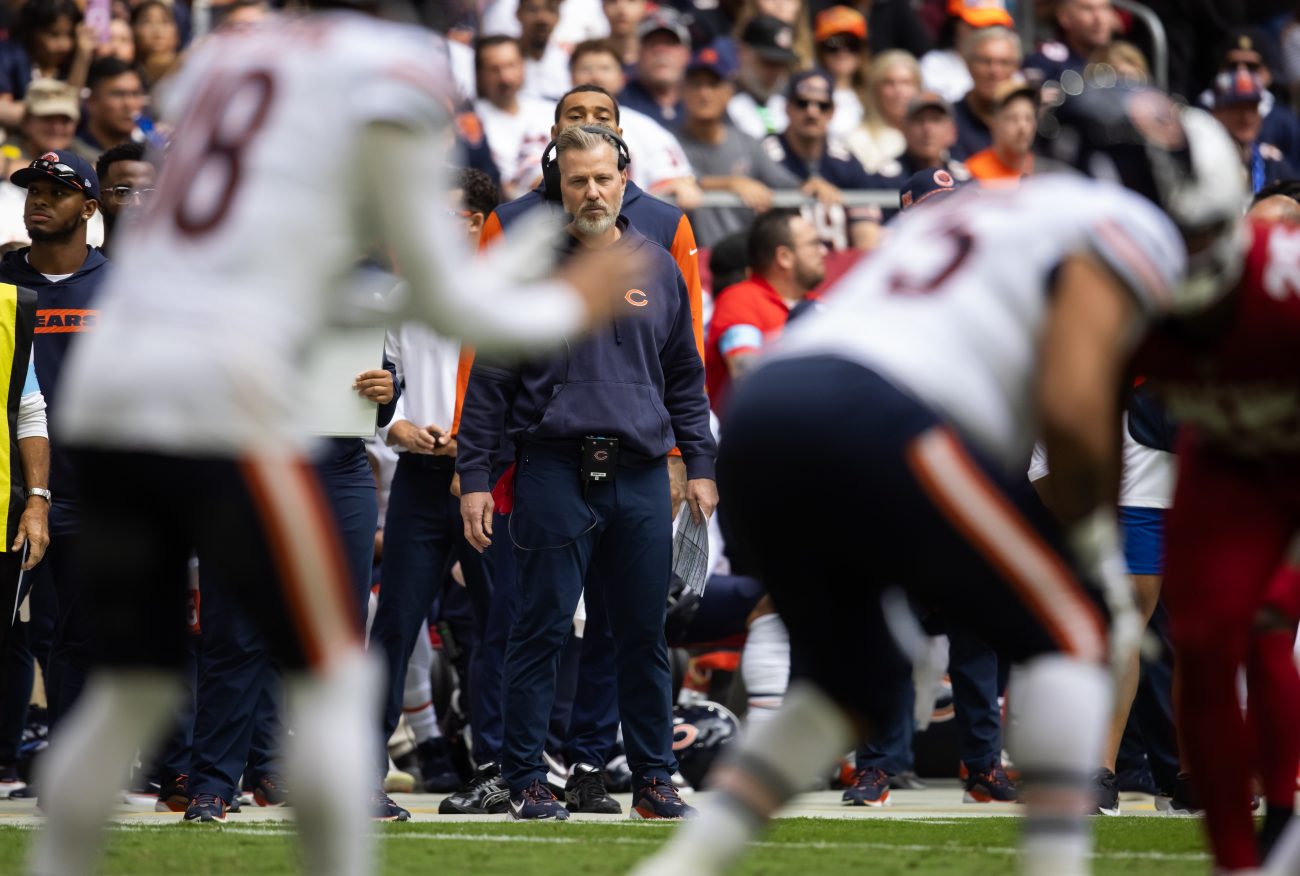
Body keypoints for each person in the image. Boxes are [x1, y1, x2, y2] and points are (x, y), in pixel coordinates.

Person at [24, 10, 646, 876]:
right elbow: (445, 291)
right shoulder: (389, 64)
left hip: (114, 379)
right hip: (219, 397)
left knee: (133, 687)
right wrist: (559, 299)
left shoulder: (231, 55)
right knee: (331, 674)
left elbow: (304, 273)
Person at [630, 82, 1245, 876]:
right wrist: (1091, 535)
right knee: (1073, 632)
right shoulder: (1117, 224)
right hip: (879, 417)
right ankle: (1059, 865)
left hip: (768, 415)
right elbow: (1072, 395)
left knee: (856, 678)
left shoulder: (971, 210)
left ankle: (683, 866)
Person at [440, 87, 706, 818]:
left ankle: (653, 778)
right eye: (577, 180)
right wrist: (473, 479)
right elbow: (490, 381)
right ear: (558, 185)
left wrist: (702, 465)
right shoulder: (528, 263)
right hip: (553, 469)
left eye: (603, 178)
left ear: (625, 180)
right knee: (541, 628)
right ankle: (528, 779)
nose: (591, 191)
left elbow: (685, 373)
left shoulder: (656, 262)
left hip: (643, 472)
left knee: (644, 636)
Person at [1131, 197, 1300, 875]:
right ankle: (1235, 858)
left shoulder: (1282, 291)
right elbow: (1087, 407)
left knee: (1270, 615)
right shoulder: (1124, 285)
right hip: (1223, 452)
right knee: (1201, 641)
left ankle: (1284, 815)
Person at [0, 151, 108, 753]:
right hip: (8, 490)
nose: (38, 200)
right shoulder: (0, 279)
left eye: (56, 191)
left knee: (82, 639)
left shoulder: (122, 286)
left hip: (95, 491)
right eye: (32, 190)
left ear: (89, 208)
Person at [676, 48, 802, 249]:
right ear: (683, 90)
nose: (704, 93)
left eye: (713, 84)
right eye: (696, 84)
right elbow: (674, 181)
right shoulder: (667, 140)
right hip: (688, 258)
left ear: (729, 92)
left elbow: (786, 184)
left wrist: (813, 184)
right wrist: (731, 183)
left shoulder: (747, 142)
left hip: (743, 257)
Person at [704, 208, 824, 406]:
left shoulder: (818, 304)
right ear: (784, 257)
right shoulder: (739, 300)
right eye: (813, 244)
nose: (823, 251)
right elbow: (745, 377)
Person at [568, 39, 701, 205]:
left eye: (605, 68)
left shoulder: (645, 127)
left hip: (631, 224)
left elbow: (677, 181)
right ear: (570, 76)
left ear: (622, 78)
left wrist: (676, 184)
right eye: (586, 68)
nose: (596, 76)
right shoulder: (545, 122)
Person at [762, 70, 880, 250]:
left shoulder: (845, 160)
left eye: (822, 105)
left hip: (837, 267)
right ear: (787, 108)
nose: (812, 112)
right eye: (802, 103)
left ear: (832, 112)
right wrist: (802, 187)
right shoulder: (765, 152)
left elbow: (867, 236)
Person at [473, 35, 556, 199]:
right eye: (494, 69)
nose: (505, 78)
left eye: (511, 65)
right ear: (479, 75)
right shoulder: (471, 121)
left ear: (523, 66)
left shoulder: (550, 109)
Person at [0, 0, 95, 130]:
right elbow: (4, 110)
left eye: (70, 35)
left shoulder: (76, 61)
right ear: (32, 32)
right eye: (54, 34)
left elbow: (73, 112)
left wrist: (82, 58)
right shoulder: (8, 55)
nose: (64, 45)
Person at [1209, 68, 1297, 195]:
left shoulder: (1273, 166)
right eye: (1237, 108)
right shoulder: (1201, 162)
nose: (1247, 117)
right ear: (1216, 113)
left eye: (1252, 108)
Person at [920, 0, 1014, 104]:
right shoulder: (934, 67)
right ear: (955, 24)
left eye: (993, 26)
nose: (985, 33)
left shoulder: (1013, 71)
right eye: (976, 26)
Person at [844, 49, 920, 174]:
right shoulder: (857, 139)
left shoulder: (930, 137)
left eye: (906, 83)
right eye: (889, 83)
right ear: (875, 90)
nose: (899, 91)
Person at [951, 25, 1021, 161]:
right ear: (968, 64)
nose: (994, 71)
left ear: (1016, 67)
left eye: (1004, 62)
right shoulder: (949, 119)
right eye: (985, 61)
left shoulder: (1028, 123)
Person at [617, 7, 692, 128]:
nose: (661, 51)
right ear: (638, 53)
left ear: (686, 54)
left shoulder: (702, 102)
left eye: (670, 43)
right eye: (652, 44)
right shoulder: (619, 105)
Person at [727, 15, 799, 139]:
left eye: (782, 64)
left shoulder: (785, 104)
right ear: (743, 52)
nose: (775, 71)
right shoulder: (723, 102)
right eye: (768, 62)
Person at [69, 58, 145, 164]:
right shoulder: (70, 158)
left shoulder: (149, 155)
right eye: (118, 94)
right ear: (92, 102)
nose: (129, 104)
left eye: (136, 94)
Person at [1024, 0, 1116, 86]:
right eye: (1087, 9)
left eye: (1104, 8)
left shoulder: (1121, 60)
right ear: (1064, 17)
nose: (1100, 19)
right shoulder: (1045, 63)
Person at [964, 78, 1036, 185]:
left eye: (1028, 118)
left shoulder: (1047, 172)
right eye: (1012, 118)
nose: (1022, 127)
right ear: (994, 123)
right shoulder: (972, 174)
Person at [811, 5, 867, 137]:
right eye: (834, 43)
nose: (843, 52)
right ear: (820, 50)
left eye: (852, 44)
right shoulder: (807, 95)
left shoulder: (874, 95)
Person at [94, 141, 155, 255]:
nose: (137, 203)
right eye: (123, 192)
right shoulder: (82, 271)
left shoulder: (178, 270)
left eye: (148, 193)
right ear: (99, 201)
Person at [516, 0, 572, 101]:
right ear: (518, 14)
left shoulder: (568, 58)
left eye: (551, 10)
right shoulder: (503, 61)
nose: (542, 18)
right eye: (532, 10)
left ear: (559, 16)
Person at [131, 0, 180, 91]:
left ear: (176, 34)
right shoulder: (127, 77)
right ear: (133, 30)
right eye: (147, 22)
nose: (157, 31)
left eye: (165, 22)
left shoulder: (189, 74)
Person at [602, 0, 648, 67]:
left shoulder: (657, 59)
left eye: (631, 1)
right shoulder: (589, 56)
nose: (621, 9)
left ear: (645, 6)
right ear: (603, 7)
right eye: (613, 1)